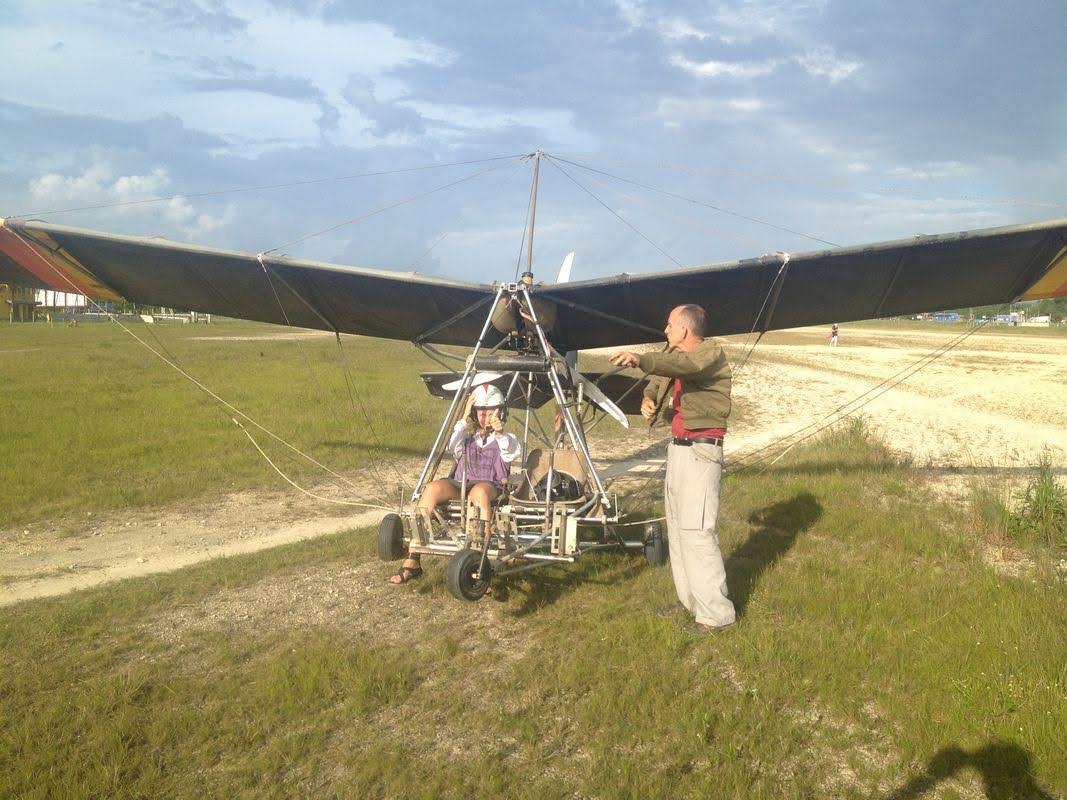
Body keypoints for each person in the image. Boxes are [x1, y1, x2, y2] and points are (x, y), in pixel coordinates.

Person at [610, 304, 735, 634]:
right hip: (679, 450)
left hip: (701, 453)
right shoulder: (676, 356)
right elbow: (661, 375)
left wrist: (640, 359)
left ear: (684, 330)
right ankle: (692, 603)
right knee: (679, 529)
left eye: (668, 326)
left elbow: (682, 365)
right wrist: (648, 396)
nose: (665, 331)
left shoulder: (709, 354)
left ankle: (716, 615)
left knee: (697, 532)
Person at [389, 383, 521, 584]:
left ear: (500, 413)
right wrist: (465, 415)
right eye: (481, 413)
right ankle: (414, 557)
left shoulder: (507, 439)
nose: (485, 418)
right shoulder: (467, 438)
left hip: (490, 487)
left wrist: (500, 433)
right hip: (461, 484)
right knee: (432, 488)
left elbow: (510, 451)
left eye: (490, 413)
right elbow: (453, 445)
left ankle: (481, 562)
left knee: (478, 492)